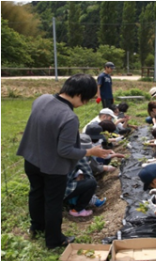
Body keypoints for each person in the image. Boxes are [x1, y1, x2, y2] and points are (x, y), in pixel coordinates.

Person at [17, 74, 113, 249]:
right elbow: (65, 151)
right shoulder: (69, 117)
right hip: (53, 166)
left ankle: (37, 226)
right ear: (79, 95)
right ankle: (54, 240)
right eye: (86, 99)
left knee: (36, 193)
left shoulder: (41, 99)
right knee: (52, 202)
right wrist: (91, 151)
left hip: (32, 158)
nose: (84, 103)